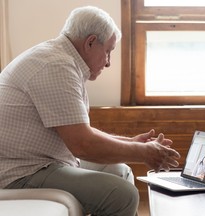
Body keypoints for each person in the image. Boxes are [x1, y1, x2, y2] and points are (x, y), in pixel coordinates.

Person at [0, 6, 181, 216]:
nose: (109, 62)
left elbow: (82, 133)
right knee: (123, 195)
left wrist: (131, 143)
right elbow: (83, 145)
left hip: (42, 161)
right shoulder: (56, 66)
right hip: (20, 172)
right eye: (108, 51)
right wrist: (144, 153)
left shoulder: (59, 59)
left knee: (120, 171)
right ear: (90, 42)